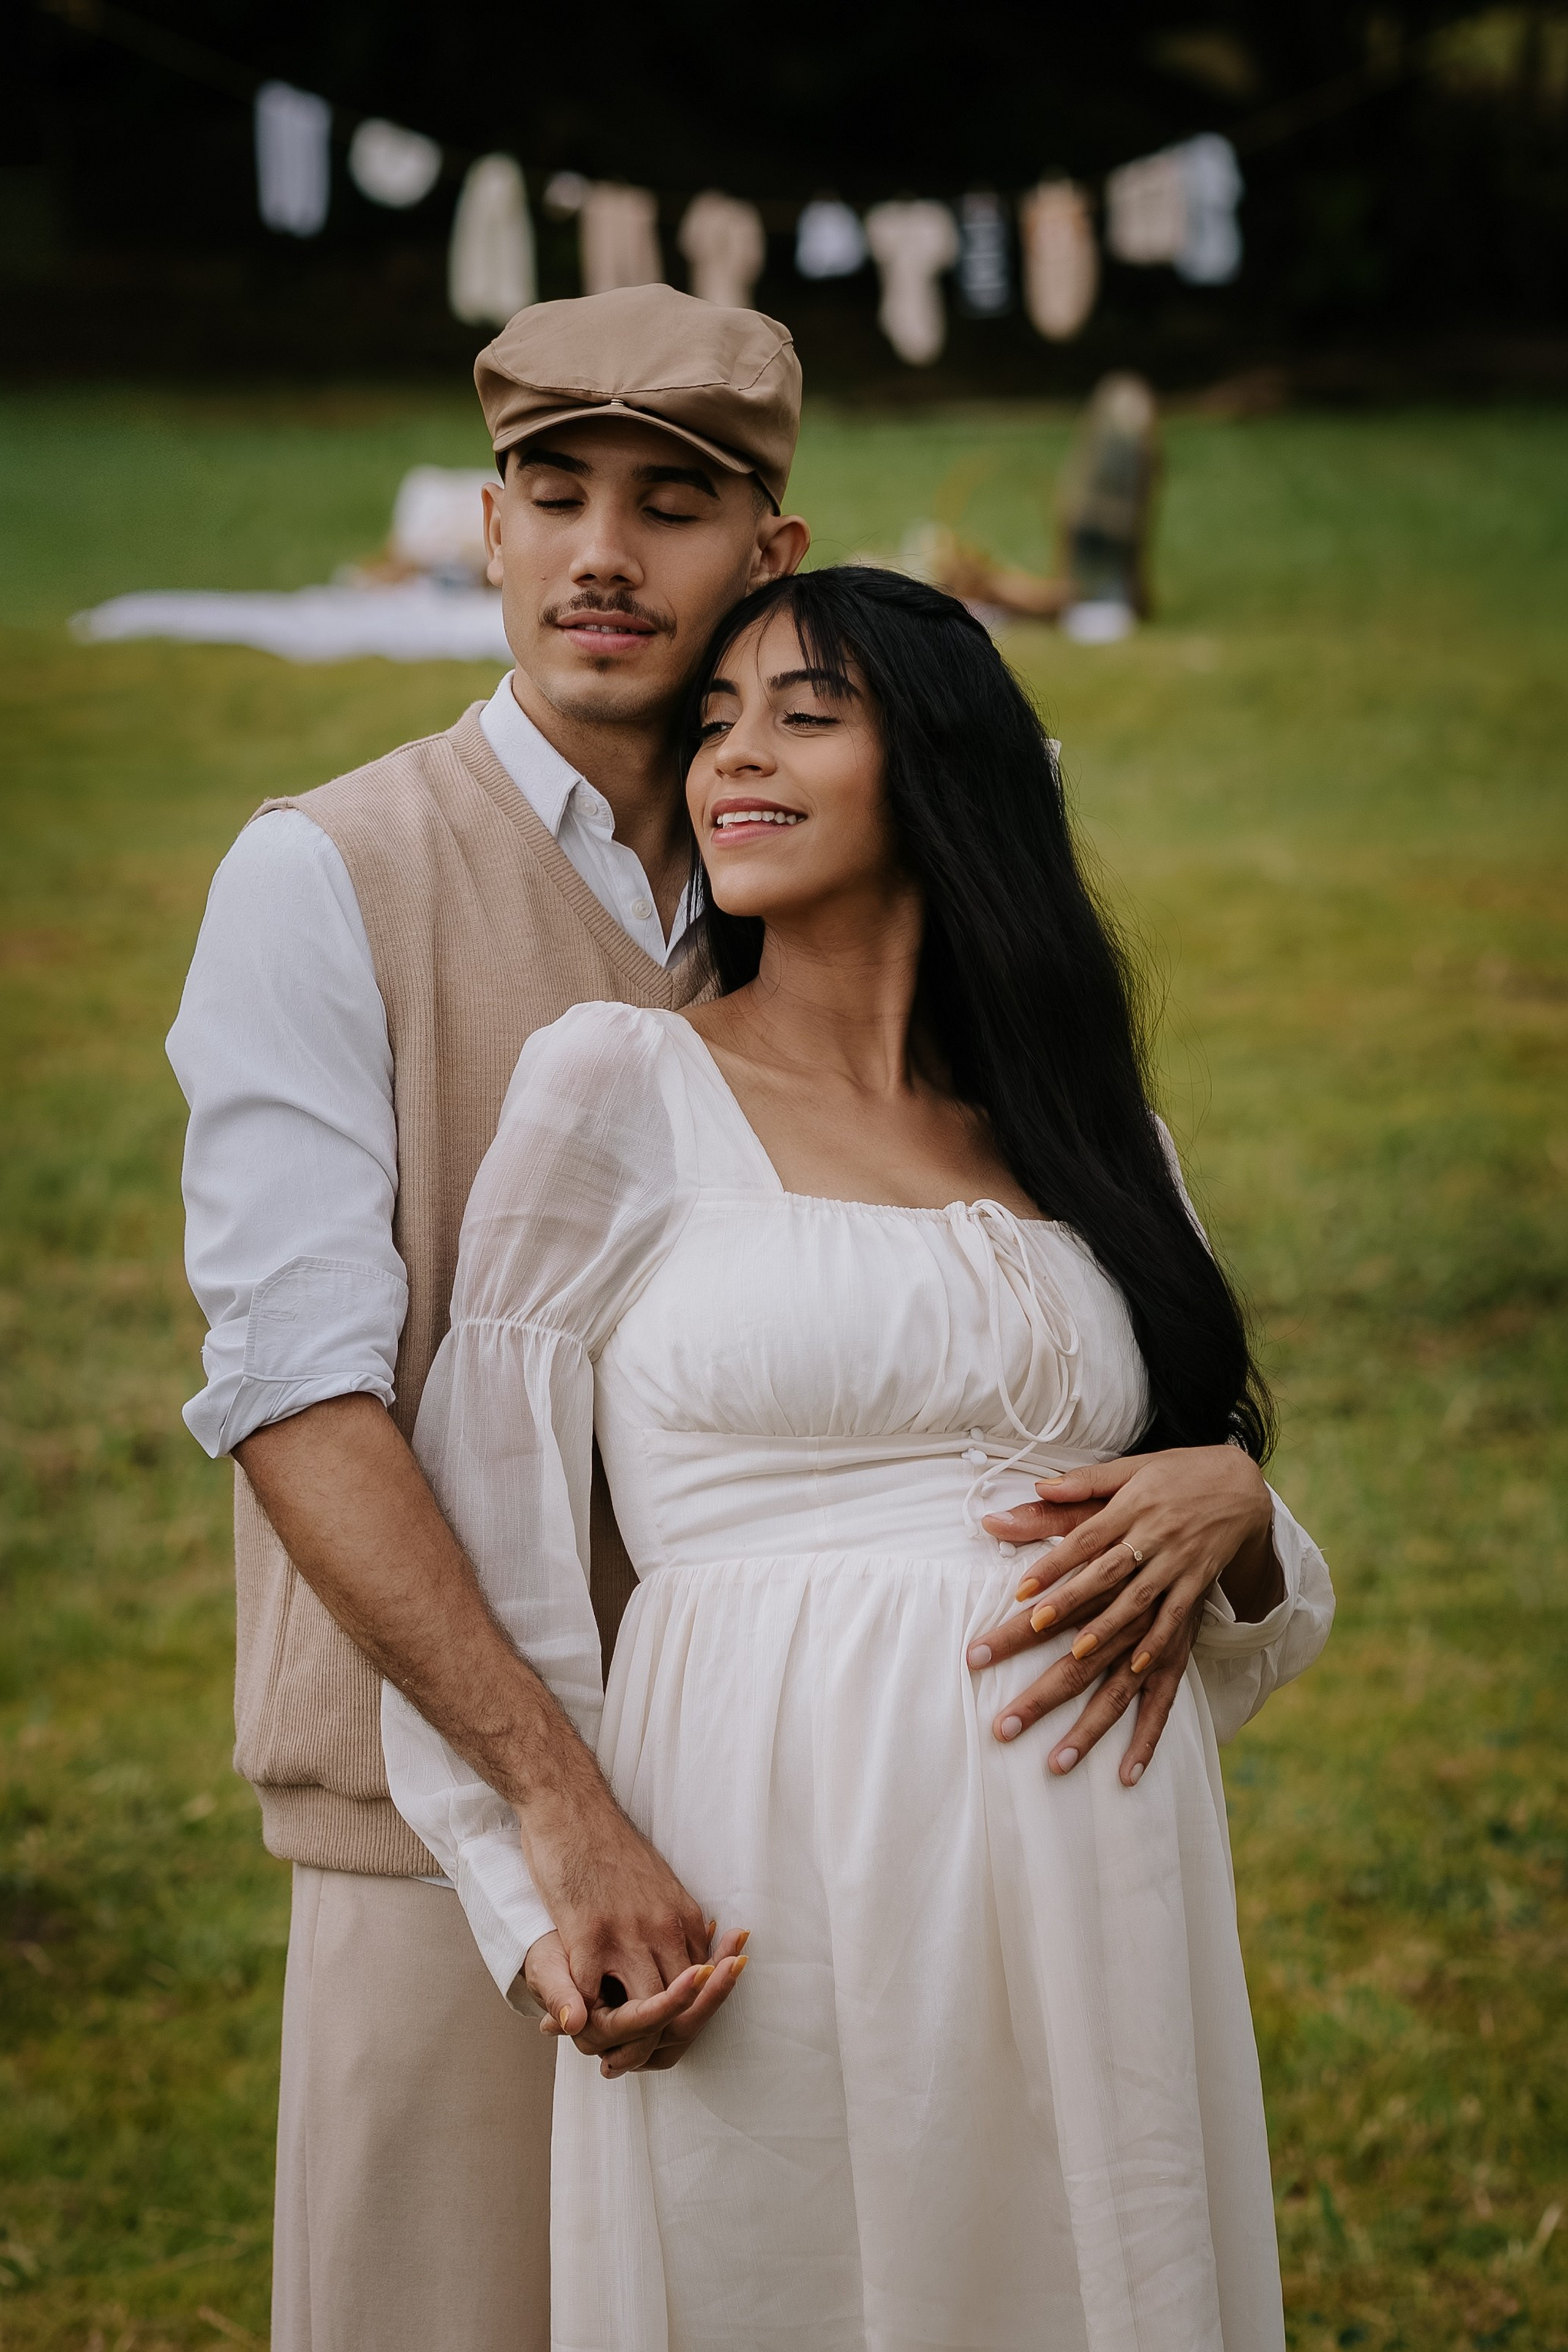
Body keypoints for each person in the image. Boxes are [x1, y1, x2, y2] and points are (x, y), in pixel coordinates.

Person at [382, 565, 1335, 2350]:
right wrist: (545, 1889)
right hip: (763, 1851)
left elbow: (1236, 1611)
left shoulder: (1088, 1132)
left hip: (1093, 1872)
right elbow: (485, 1521)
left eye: (805, 716)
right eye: (717, 722)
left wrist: (1241, 1506)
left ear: (947, 775)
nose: (736, 758)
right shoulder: (622, 1087)